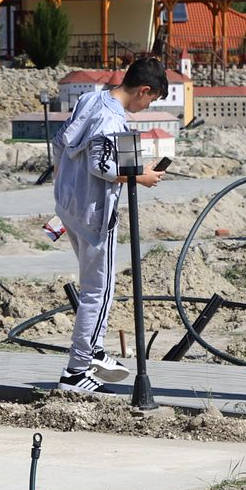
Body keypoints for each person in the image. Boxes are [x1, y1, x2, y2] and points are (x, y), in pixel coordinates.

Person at [51, 57, 169, 395]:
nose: (148, 107)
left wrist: (64, 185)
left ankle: (94, 349)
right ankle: (76, 371)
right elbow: (101, 166)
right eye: (152, 100)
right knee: (98, 290)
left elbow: (60, 142)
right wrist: (142, 177)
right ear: (143, 90)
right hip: (94, 213)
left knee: (95, 287)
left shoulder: (91, 99)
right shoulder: (112, 118)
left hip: (70, 205)